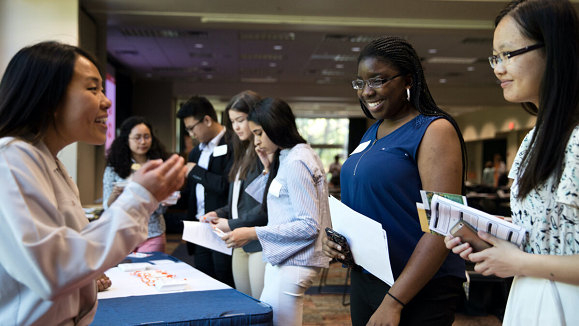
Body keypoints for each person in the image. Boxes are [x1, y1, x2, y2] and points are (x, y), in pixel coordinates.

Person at [0, 41, 186, 325]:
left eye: (102, 88)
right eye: (92, 88)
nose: (107, 101)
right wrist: (140, 196)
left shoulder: (51, 163)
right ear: (49, 98)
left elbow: (69, 254)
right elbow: (51, 270)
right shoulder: (11, 158)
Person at [445, 1, 579, 325]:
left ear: (554, 50)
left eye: (508, 54)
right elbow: (552, 234)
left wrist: (518, 263)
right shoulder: (536, 137)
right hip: (532, 294)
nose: (497, 68)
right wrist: (495, 234)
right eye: (495, 57)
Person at [322, 36, 468, 326]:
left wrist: (395, 301)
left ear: (408, 81)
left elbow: (444, 226)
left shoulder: (434, 130)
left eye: (377, 80)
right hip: (369, 276)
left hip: (417, 286)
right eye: (360, 83)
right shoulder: (371, 133)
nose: (367, 91)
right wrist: (337, 242)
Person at [221, 98, 331, 326]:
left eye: (259, 133)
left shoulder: (297, 160)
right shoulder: (287, 155)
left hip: (296, 260)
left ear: (275, 126)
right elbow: (274, 199)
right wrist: (267, 169)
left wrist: (253, 233)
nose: (256, 141)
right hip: (285, 257)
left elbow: (309, 225)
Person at [202, 90, 269, 298]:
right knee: (246, 304)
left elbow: (265, 208)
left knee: (261, 305)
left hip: (258, 241)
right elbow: (239, 203)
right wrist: (218, 212)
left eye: (240, 120)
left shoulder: (264, 154)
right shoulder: (241, 154)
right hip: (238, 240)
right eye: (232, 122)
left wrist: (230, 224)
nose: (236, 127)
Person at [175, 95, 235, 287]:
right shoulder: (196, 151)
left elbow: (228, 186)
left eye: (192, 128)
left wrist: (196, 172)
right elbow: (194, 191)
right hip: (199, 228)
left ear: (207, 120)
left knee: (225, 284)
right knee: (203, 284)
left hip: (222, 228)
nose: (191, 134)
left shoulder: (233, 145)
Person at [103, 116, 171, 253]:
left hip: (152, 232)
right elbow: (108, 207)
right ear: (126, 140)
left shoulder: (159, 165)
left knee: (152, 273)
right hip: (122, 234)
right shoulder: (113, 168)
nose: (143, 142)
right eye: (137, 137)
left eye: (147, 137)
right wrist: (114, 195)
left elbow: (160, 211)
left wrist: (165, 199)